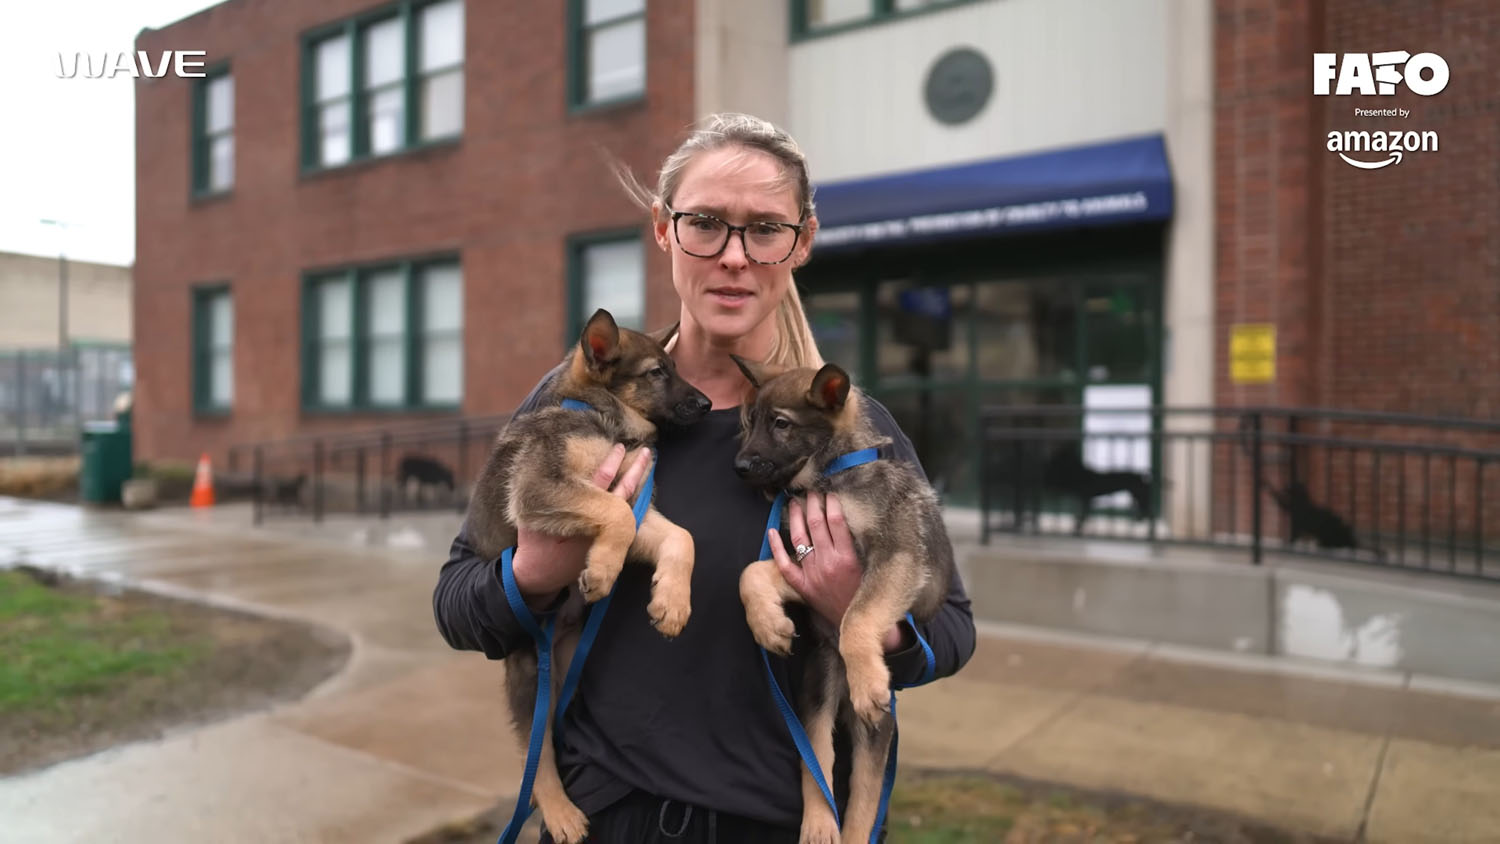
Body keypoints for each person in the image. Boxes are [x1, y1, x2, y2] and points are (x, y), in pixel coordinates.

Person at [432, 113, 976, 843]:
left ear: (802, 242)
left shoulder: (849, 434)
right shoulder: (579, 409)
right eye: (706, 224)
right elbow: (456, 604)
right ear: (664, 229)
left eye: (766, 229)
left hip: (781, 827)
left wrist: (863, 615)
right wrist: (530, 574)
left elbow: (953, 633)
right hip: (608, 822)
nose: (734, 257)